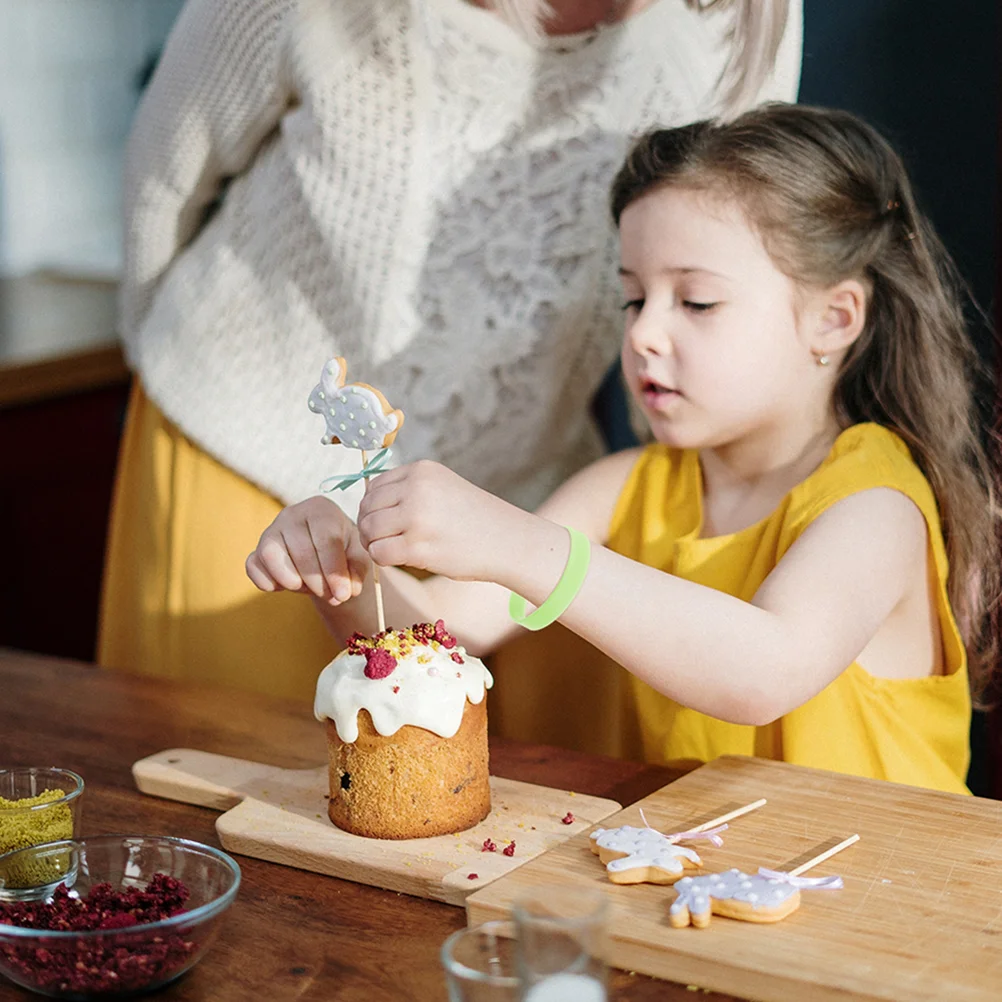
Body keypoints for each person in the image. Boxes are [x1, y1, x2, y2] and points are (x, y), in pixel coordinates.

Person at [247, 103, 1000, 793]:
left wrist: (517, 541)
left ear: (833, 320)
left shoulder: (878, 507)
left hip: (894, 906)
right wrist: (346, 568)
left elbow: (763, 670)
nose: (642, 333)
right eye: (633, 298)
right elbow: (438, 636)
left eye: (696, 301)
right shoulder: (627, 484)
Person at [97, 0, 801, 700]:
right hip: (253, 467)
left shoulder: (747, 18)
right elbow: (163, 181)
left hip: (533, 507)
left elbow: (731, 257)